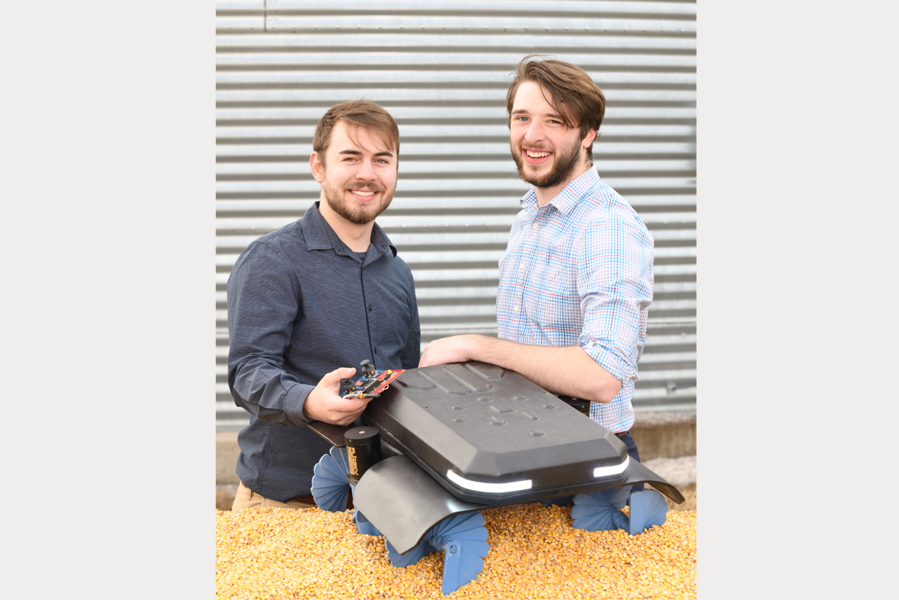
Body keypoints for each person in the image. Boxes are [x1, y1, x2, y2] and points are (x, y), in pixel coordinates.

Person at [419, 56, 653, 488]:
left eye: (555, 121)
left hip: (587, 466)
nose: (532, 135)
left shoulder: (607, 226)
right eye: (521, 117)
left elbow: (601, 376)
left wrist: (475, 346)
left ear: (588, 134)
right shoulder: (531, 216)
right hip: (528, 447)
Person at [227, 100, 421, 511]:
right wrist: (310, 401)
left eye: (381, 160)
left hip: (378, 506)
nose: (367, 174)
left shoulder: (397, 273)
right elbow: (248, 372)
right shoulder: (272, 261)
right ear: (318, 166)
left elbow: (406, 376)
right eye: (350, 158)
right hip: (283, 507)